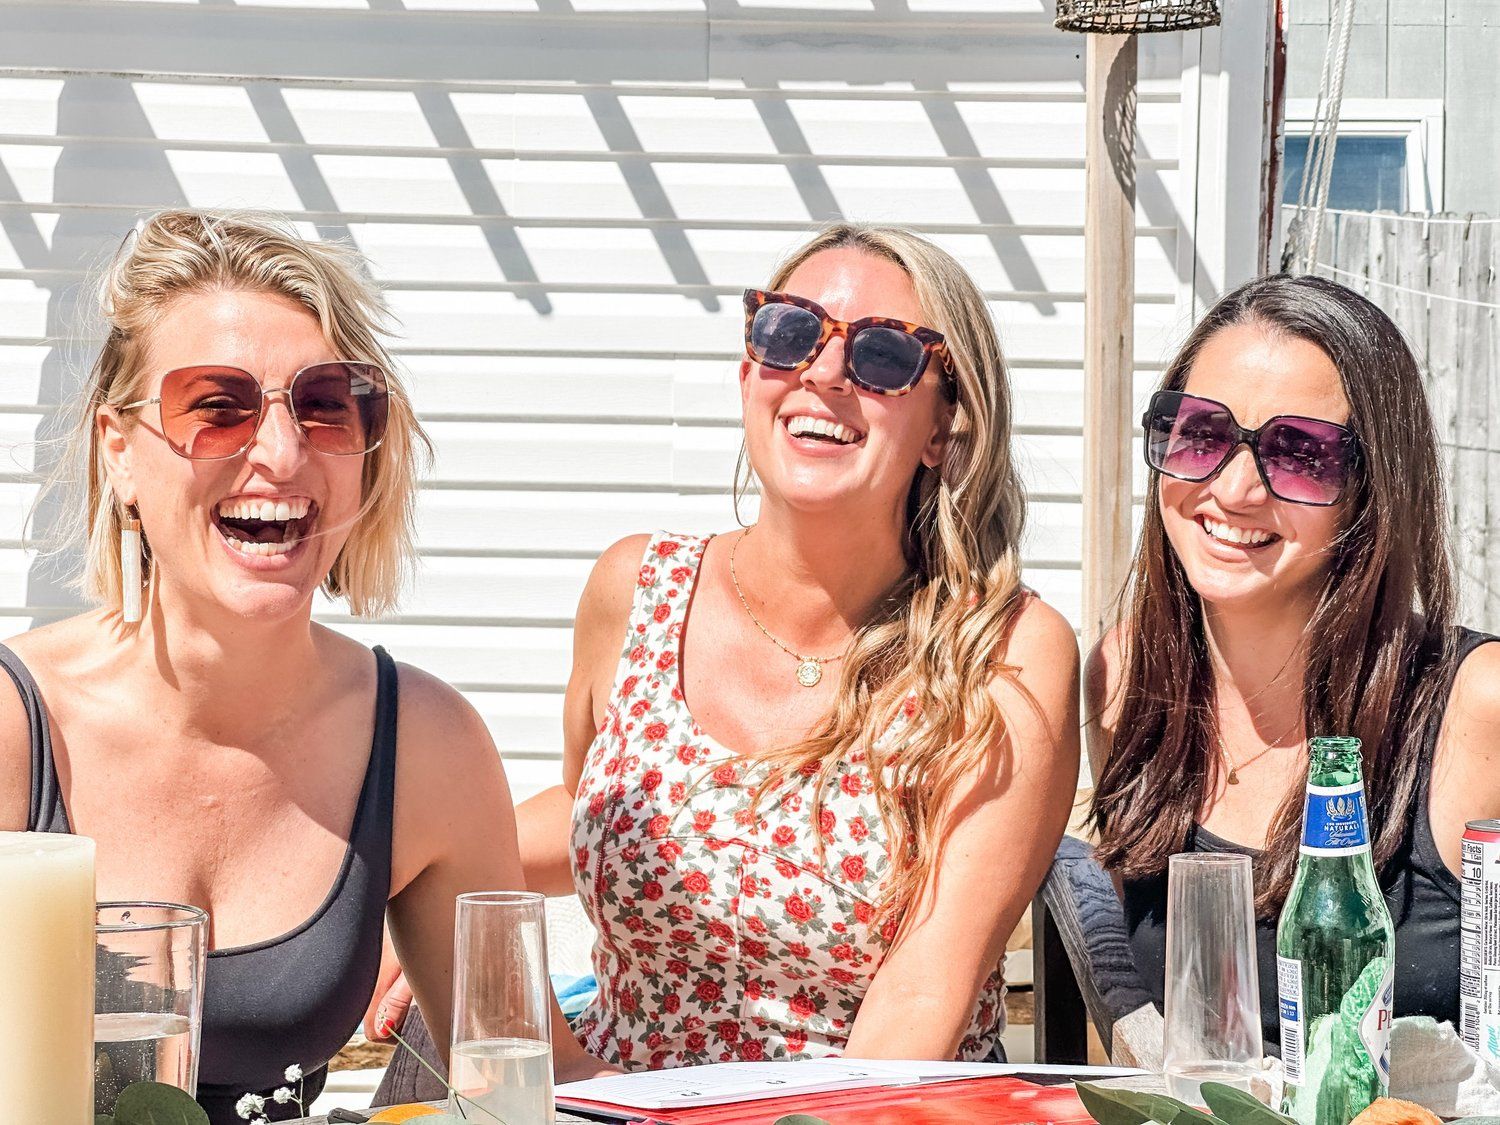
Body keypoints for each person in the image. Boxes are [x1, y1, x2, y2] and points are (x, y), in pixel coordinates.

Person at [0, 209, 605, 1122]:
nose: (279, 453)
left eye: (324, 405)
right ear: (118, 451)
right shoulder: (15, 728)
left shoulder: (425, 744)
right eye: (216, 406)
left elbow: (526, 1081)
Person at [503, 222, 1081, 1068]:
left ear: (941, 426)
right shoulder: (634, 591)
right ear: (748, 374)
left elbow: (926, 986)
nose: (824, 372)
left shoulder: (1002, 653)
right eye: (789, 333)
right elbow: (596, 803)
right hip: (611, 1099)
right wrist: (446, 893)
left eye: (883, 356)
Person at [1087, 273, 1500, 1047]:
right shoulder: (1124, 680)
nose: (1235, 489)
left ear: (1374, 489)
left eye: (1301, 453)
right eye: (1201, 433)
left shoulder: (1477, 705)